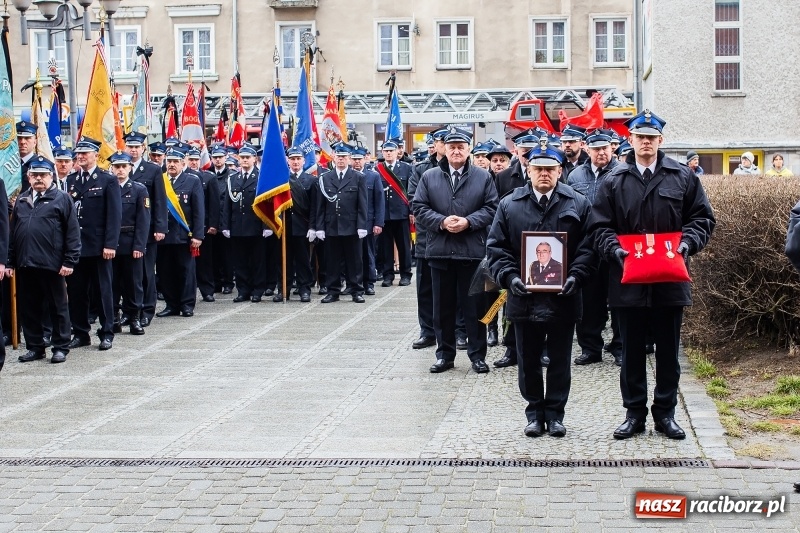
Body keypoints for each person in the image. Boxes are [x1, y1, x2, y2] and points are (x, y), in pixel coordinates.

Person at [588, 109, 716, 440]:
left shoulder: (683, 177)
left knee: (668, 352)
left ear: (661, 140)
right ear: (630, 140)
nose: (646, 142)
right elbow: (599, 226)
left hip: (669, 280)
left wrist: (687, 244)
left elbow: (702, 218)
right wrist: (613, 250)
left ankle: (665, 413)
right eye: (640, 137)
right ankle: (634, 414)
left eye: (651, 137)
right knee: (630, 352)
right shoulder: (614, 180)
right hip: (627, 280)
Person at [487, 140, 595, 437]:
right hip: (524, 298)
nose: (544, 174)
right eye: (538, 169)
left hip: (564, 297)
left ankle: (556, 414)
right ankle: (534, 413)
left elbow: (588, 248)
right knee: (528, 360)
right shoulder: (510, 204)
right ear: (528, 169)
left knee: (560, 360)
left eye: (550, 169)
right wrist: (509, 278)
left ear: (560, 171)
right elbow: (496, 248)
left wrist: (576, 275)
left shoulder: (577, 203)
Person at [413, 127, 499, 374]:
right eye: (452, 147)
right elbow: (418, 206)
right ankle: (445, 355)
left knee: (476, 308)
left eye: (461, 146)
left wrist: (468, 221)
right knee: (442, 308)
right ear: (444, 149)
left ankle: (477, 356)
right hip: (440, 251)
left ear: (469, 148)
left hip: (471, 253)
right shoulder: (429, 176)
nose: (456, 151)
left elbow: (492, 207)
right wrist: (441, 221)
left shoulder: (483, 177)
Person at [8, 156, 80, 364]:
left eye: (43, 175)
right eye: (34, 175)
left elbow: (73, 233)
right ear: (28, 177)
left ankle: (60, 346)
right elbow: (14, 234)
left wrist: (69, 261)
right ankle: (35, 346)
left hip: (53, 264)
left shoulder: (62, 199)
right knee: (29, 308)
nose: (39, 179)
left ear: (51, 176)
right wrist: (10, 261)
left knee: (57, 308)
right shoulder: (22, 200)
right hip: (26, 264)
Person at [567, 129, 624, 366]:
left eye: (605, 148)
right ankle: (590, 348)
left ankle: (621, 347)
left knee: (620, 299)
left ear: (612, 148)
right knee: (589, 301)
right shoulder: (575, 176)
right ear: (587, 149)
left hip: (615, 244)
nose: (601, 152)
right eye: (596, 148)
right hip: (587, 245)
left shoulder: (623, 172)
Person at [65, 137, 122, 351]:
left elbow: (114, 216)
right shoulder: (71, 180)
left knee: (103, 291)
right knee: (77, 292)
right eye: (78, 154)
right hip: (76, 248)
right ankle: (81, 332)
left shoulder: (107, 179)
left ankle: (107, 332)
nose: (80, 157)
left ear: (95, 155)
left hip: (99, 247)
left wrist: (111, 244)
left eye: (85, 153)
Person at [408, 128, 448, 350]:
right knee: (425, 289)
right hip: (428, 237)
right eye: (441, 141)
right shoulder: (421, 169)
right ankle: (427, 331)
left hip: (456, 238)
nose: (443, 145)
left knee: (456, 290)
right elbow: (415, 201)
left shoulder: (464, 169)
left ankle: (458, 331)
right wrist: (442, 219)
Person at [315, 143, 368, 303]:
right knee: (332, 261)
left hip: (352, 226)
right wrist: (319, 227)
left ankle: (356, 290)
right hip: (331, 225)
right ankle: (333, 291)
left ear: (349, 159)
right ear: (333, 157)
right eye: (338, 156)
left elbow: (362, 204)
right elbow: (320, 205)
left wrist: (362, 225)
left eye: (344, 157)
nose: (341, 160)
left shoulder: (358, 177)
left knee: (355, 260)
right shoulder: (325, 178)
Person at [156, 147, 205, 317]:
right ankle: (171, 304)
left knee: (186, 271)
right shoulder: (160, 180)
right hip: (163, 235)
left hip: (184, 235)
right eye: (169, 161)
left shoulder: (192, 180)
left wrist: (198, 235)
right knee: (166, 271)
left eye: (175, 162)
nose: (171, 165)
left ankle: (187, 304)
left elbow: (199, 210)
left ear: (183, 163)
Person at [126, 132, 167, 327]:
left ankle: (147, 310)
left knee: (146, 272)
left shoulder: (152, 170)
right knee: (128, 274)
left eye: (137, 146)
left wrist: (160, 227)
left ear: (143, 148)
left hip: (148, 230)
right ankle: (131, 310)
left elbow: (159, 200)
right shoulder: (120, 167)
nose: (133, 150)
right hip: (125, 231)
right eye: (130, 146)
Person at [220, 144, 269, 303]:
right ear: (238, 159)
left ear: (255, 159)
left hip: (256, 226)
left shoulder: (261, 177)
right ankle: (243, 290)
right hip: (237, 226)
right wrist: (225, 226)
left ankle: (257, 290)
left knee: (258, 261)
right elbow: (227, 204)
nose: (245, 160)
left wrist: (267, 226)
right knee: (240, 261)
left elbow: (267, 204)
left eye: (248, 157)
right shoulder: (232, 178)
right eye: (242, 157)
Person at [108, 151, 150, 335]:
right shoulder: (107, 188)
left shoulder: (139, 189)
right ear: (112, 168)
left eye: (124, 166)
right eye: (117, 166)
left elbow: (143, 220)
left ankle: (134, 318)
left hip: (131, 242)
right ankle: (115, 318)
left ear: (130, 168)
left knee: (134, 283)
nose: (120, 170)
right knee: (112, 284)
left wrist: (139, 246)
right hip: (111, 244)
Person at [185, 148, 221, 302]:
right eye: (191, 159)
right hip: (184, 226)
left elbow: (214, 203)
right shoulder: (179, 178)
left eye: (196, 159)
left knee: (205, 261)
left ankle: (207, 290)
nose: (193, 162)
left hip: (203, 226)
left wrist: (213, 224)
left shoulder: (208, 177)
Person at [376, 139, 414, 287]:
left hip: (401, 213)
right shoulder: (377, 169)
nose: (388, 153)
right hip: (384, 214)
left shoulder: (406, 168)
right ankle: (387, 275)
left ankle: (405, 274)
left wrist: (411, 211)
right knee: (385, 247)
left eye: (391, 150)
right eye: (386, 151)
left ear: (398, 152)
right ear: (382, 152)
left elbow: (410, 191)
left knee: (404, 245)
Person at [285, 146, 318, 302]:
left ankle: (305, 289)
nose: (295, 162)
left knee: (303, 260)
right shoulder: (282, 179)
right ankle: (284, 288)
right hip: (285, 226)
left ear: (304, 161)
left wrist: (312, 227)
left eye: (298, 159)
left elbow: (314, 207)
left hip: (302, 227)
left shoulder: (311, 180)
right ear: (287, 161)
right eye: (292, 159)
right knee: (284, 260)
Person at [351, 147, 384, 295]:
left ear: (365, 159)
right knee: (352, 255)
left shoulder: (373, 176)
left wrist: (379, 222)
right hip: (351, 222)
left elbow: (379, 201)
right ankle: (353, 283)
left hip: (368, 222)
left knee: (368, 253)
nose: (357, 162)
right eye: (355, 159)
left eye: (360, 159)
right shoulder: (349, 175)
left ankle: (369, 282)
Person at [209, 144, 235, 294]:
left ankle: (228, 282)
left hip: (226, 222)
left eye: (220, 157)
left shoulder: (231, 176)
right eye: (215, 157)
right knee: (214, 255)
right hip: (212, 222)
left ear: (226, 157)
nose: (218, 160)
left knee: (227, 255)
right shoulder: (207, 174)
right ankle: (216, 282)